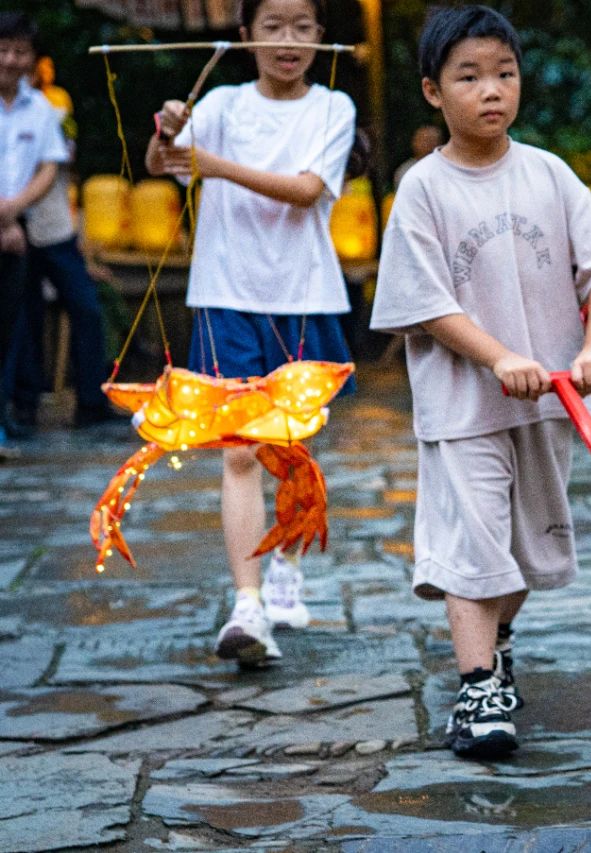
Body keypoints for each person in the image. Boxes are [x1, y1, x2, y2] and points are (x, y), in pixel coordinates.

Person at [370, 5, 591, 759]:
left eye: (504, 74)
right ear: (432, 91)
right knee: (475, 542)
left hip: (549, 403)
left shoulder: (549, 174)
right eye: (470, 77)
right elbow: (425, 303)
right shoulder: (424, 189)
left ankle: (497, 637)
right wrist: (497, 358)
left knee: (527, 551)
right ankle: (479, 686)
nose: (491, 90)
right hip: (462, 406)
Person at [145, 0, 356, 665]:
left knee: (291, 448)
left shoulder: (333, 107)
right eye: (273, 26)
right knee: (238, 452)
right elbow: (162, 162)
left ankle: (286, 567)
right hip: (225, 295)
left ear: (321, 37)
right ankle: (248, 603)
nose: (288, 40)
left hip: (304, 297)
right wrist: (168, 130)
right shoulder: (223, 104)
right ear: (245, 37)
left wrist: (210, 163)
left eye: (302, 27)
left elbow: (306, 190)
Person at [8, 53, 120, 431]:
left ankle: (91, 401)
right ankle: (23, 404)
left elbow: (58, 163)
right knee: (23, 315)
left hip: (54, 227)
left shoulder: (49, 108)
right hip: (13, 227)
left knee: (86, 307)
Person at [0, 13, 65, 455]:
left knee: (7, 327)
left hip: (15, 229)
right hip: (8, 226)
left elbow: (48, 167)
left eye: (20, 51)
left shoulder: (41, 109)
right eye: (3, 49)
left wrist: (12, 214)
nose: (10, 59)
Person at [392, 124, 442, 189]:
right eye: (425, 140)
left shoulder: (446, 167)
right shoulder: (406, 170)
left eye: (432, 140)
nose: (429, 144)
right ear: (414, 142)